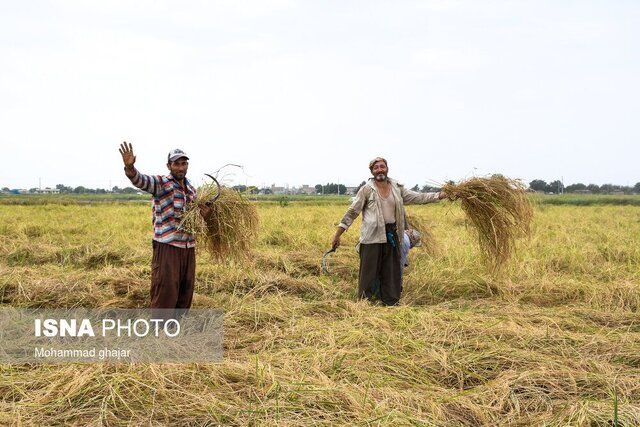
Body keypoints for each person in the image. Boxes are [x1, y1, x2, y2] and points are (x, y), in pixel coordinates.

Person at [331, 157, 445, 306]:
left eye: (382, 166)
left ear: (387, 168)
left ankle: (391, 301)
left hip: (392, 234)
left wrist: (439, 195)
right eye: (376, 167)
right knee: (369, 271)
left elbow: (419, 197)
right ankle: (366, 302)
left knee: (391, 271)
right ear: (372, 171)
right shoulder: (366, 189)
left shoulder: (397, 188)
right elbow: (352, 212)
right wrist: (338, 234)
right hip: (372, 236)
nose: (380, 170)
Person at [118, 141, 210, 310]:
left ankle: (179, 330)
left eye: (183, 164)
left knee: (185, 290)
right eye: (176, 164)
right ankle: (160, 331)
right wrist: (130, 168)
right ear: (169, 166)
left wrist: (204, 215)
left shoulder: (191, 189)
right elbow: (140, 180)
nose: (180, 168)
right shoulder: (161, 184)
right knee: (166, 290)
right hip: (167, 247)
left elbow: (196, 219)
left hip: (188, 247)